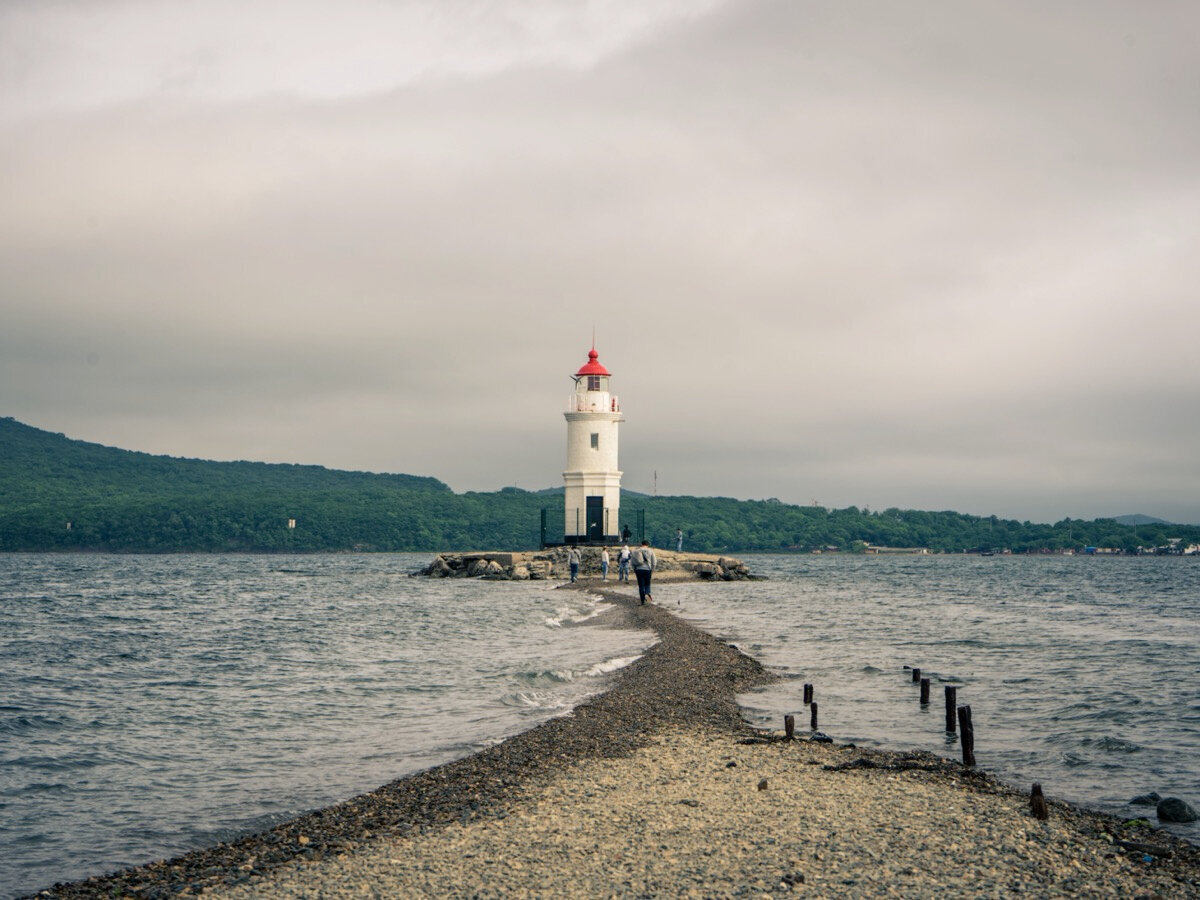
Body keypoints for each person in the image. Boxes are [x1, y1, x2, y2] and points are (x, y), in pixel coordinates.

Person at [632, 540, 656, 605]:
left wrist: (634, 569)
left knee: (641, 586)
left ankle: (642, 601)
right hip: (648, 569)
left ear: (641, 544)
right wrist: (652, 569)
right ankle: (647, 596)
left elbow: (632, 561)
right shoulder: (650, 551)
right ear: (648, 544)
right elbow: (654, 562)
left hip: (639, 569)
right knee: (647, 584)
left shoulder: (636, 551)